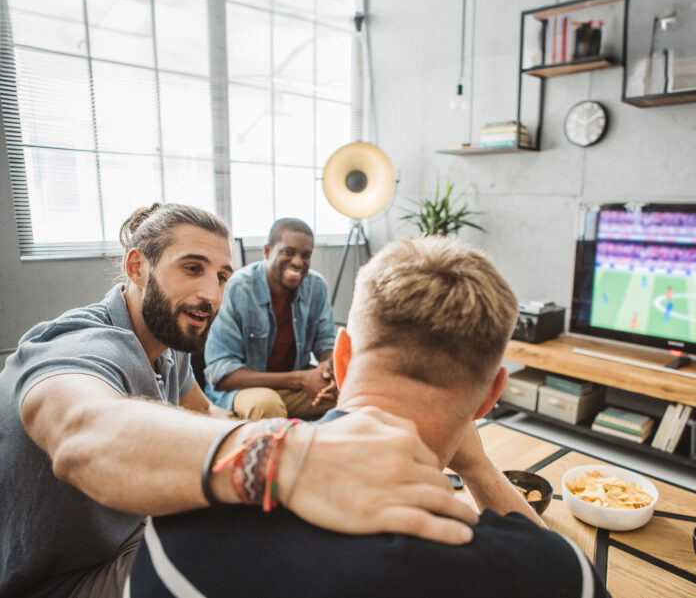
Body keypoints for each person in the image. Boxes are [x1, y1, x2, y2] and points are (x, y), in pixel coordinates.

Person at [0, 206, 479, 598]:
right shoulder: (79, 345)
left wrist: (319, 439)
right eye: (192, 268)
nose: (211, 294)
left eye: (223, 275)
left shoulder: (169, 346)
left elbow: (206, 414)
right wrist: (290, 456)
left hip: (129, 536)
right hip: (63, 582)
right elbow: (84, 431)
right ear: (136, 267)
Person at [130, 237, 610, 598]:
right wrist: (480, 468)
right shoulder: (552, 572)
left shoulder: (178, 532)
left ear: (342, 359)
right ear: (490, 397)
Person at [203, 217, 337, 420]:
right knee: (266, 405)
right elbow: (223, 376)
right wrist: (300, 379)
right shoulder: (238, 288)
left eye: (306, 255)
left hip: (291, 386)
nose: (298, 262)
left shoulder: (316, 286)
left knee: (352, 394)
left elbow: (325, 344)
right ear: (267, 251)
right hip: (243, 391)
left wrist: (328, 366)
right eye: (288, 252)